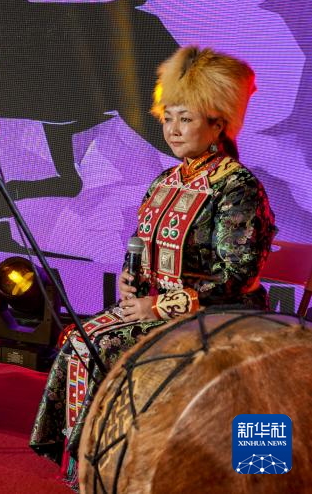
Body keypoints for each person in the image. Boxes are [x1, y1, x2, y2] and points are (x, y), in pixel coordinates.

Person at [29, 46, 277, 485]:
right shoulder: (166, 180)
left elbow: (237, 275)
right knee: (80, 339)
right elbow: (142, 244)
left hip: (219, 313)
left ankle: (108, 468)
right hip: (159, 307)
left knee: (102, 348)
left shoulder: (237, 186)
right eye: (168, 118)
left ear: (217, 124)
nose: (173, 129)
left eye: (186, 119)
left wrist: (159, 307)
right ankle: (92, 466)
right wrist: (133, 278)